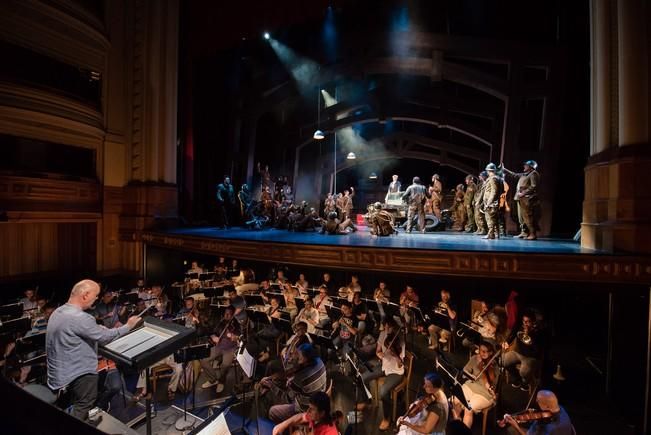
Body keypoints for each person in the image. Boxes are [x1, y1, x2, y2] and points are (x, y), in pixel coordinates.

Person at [46, 279, 140, 420]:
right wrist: (128, 326)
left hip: (59, 375)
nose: (97, 298)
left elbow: (73, 335)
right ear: (85, 295)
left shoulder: (58, 311)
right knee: (83, 406)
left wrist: (95, 330)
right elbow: (105, 338)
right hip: (79, 375)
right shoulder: (80, 317)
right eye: (95, 295)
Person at [361, 317, 405, 431]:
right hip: (384, 366)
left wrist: (395, 355)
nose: (386, 329)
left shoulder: (400, 341)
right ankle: (367, 400)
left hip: (396, 371)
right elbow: (378, 350)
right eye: (385, 326)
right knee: (363, 377)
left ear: (394, 327)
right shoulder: (382, 334)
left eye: (389, 327)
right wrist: (379, 354)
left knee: (383, 392)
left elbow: (400, 365)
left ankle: (387, 418)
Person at [267, 343, 327, 423]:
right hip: (320, 396)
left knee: (272, 411)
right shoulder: (319, 361)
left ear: (305, 360)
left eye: (298, 357)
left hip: (305, 409)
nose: (295, 357)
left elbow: (287, 398)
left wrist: (271, 385)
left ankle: (283, 428)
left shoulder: (299, 379)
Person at [200, 305, 240, 393]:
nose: (226, 315)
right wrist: (213, 336)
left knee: (225, 365)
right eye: (225, 313)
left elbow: (238, 337)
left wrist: (233, 336)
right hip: (218, 346)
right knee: (203, 359)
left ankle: (221, 381)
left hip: (230, 349)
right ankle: (213, 380)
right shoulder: (220, 321)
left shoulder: (236, 323)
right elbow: (211, 332)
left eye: (229, 314)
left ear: (233, 314)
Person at [502, 390, 574, 435]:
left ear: (547, 407)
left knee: (510, 429)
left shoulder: (550, 428)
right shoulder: (559, 408)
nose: (536, 402)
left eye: (538, 401)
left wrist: (516, 426)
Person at [503, 160, 541, 240]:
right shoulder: (524, 174)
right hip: (520, 198)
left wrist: (524, 193)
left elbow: (533, 186)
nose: (524, 166)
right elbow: (514, 175)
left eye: (526, 165)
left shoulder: (533, 174)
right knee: (521, 217)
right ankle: (524, 232)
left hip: (527, 198)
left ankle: (532, 234)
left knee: (528, 217)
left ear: (531, 167)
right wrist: (505, 169)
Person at [272, 391, 339, 435]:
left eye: (312, 409)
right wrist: (281, 426)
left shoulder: (330, 433)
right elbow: (301, 417)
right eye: (309, 407)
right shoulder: (317, 418)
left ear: (322, 413)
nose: (308, 411)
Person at [460, 341, 499, 415]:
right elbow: (465, 370)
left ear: (491, 353)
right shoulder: (475, 358)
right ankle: (456, 419)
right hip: (471, 385)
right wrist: (471, 376)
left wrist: (482, 370)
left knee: (469, 408)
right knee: (456, 400)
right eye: (481, 351)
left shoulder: (493, 365)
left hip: (485, 393)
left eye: (485, 351)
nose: (482, 354)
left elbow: (491, 382)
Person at [482, 163, 503, 240]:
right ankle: (497, 234)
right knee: (494, 219)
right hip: (493, 202)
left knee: (489, 218)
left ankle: (491, 234)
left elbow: (494, 191)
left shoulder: (493, 178)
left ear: (489, 170)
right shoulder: (497, 178)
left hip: (491, 203)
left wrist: (489, 203)